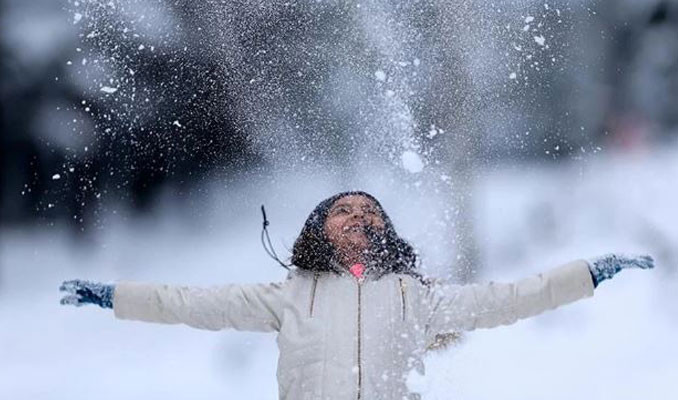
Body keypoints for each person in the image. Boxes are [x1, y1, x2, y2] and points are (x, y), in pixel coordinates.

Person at [60, 191, 654, 400]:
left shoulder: (416, 297)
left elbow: (510, 298)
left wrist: (589, 273)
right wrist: (114, 296)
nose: (357, 218)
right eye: (342, 210)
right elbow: (186, 301)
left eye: (370, 212)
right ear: (319, 229)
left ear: (386, 232)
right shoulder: (287, 296)